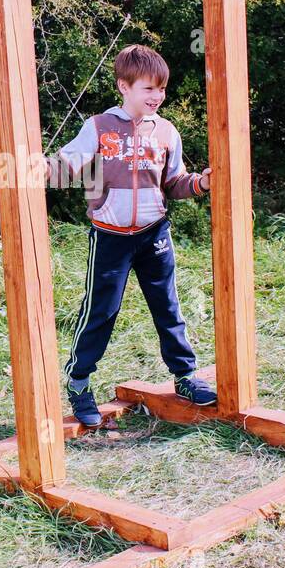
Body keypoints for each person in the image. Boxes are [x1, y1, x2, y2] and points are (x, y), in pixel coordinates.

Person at [49, 44, 215, 427]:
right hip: (110, 237)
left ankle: (186, 377)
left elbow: (173, 182)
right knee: (101, 310)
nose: (156, 96)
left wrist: (200, 184)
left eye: (161, 89)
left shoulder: (167, 132)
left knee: (168, 307)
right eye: (148, 88)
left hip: (154, 233)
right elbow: (69, 163)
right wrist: (44, 168)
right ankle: (78, 382)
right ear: (124, 86)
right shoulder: (99, 127)